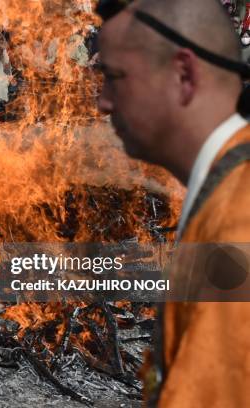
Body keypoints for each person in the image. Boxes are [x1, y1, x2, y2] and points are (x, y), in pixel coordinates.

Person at [97, 0, 250, 406]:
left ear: (184, 74)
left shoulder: (236, 225)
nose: (102, 102)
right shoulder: (228, 193)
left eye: (114, 77)